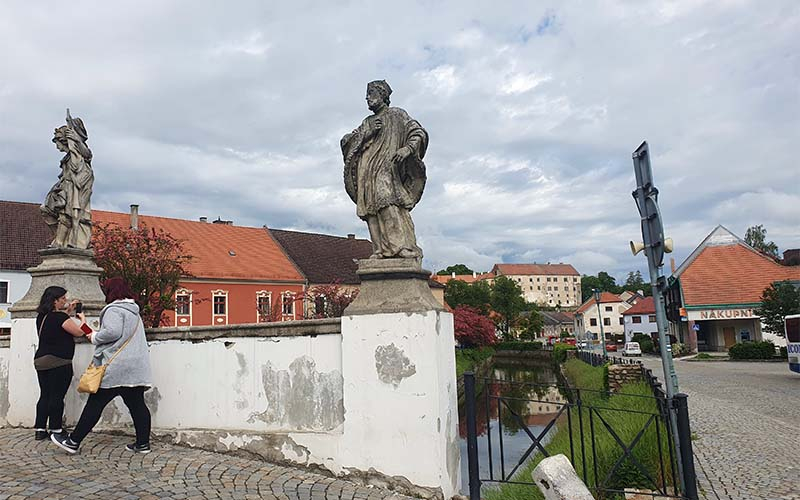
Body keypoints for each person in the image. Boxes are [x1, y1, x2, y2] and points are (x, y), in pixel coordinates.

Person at [51, 278, 153, 454]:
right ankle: (143, 444)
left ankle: (73, 442)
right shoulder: (134, 311)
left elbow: (112, 332)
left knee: (95, 404)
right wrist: (85, 325)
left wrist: (95, 337)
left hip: (115, 366)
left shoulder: (114, 309)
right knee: (137, 405)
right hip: (135, 366)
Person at [341, 80, 428, 259]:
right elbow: (347, 142)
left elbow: (418, 132)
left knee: (388, 202)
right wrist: (368, 133)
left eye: (371, 93)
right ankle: (380, 249)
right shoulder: (367, 122)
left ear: (383, 95)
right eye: (367, 94)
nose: (367, 98)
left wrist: (408, 149)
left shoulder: (397, 114)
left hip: (387, 168)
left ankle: (399, 247)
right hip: (366, 170)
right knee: (370, 209)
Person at [33, 286, 90, 440]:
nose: (65, 301)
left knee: (45, 395)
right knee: (57, 396)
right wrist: (82, 320)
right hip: (59, 361)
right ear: (54, 300)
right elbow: (78, 332)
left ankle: (40, 428)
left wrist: (68, 312)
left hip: (41, 360)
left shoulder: (42, 316)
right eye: (63, 298)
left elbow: (56, 323)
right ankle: (56, 429)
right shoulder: (59, 318)